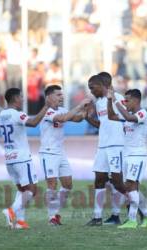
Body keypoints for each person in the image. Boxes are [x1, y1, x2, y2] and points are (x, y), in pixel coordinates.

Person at [0, 87, 50, 229]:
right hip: (22, 159)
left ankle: (20, 222)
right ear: (15, 98)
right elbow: (33, 123)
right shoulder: (18, 115)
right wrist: (46, 106)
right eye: (21, 97)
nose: (23, 99)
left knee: (22, 190)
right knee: (32, 190)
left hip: (10, 159)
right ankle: (11, 211)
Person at [39, 85, 88, 225]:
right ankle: (52, 217)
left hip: (60, 152)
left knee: (67, 184)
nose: (62, 97)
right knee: (52, 184)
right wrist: (79, 106)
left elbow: (76, 119)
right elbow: (64, 118)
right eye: (58, 95)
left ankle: (55, 212)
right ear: (49, 97)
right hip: (48, 152)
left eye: (62, 94)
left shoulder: (62, 110)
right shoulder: (47, 112)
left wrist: (85, 110)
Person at [107, 88, 147, 229]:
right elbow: (111, 116)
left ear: (135, 100)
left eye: (126, 100)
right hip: (128, 155)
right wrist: (110, 100)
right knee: (133, 189)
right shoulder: (129, 115)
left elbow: (128, 118)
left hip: (137, 156)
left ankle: (132, 220)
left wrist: (116, 101)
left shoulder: (142, 114)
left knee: (130, 187)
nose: (124, 103)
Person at [84, 74, 127, 226]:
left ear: (102, 85)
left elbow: (125, 118)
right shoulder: (99, 103)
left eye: (92, 87)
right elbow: (103, 125)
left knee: (117, 182)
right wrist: (88, 118)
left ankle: (134, 207)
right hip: (102, 146)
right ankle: (97, 217)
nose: (91, 91)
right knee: (99, 179)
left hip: (116, 146)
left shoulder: (118, 98)